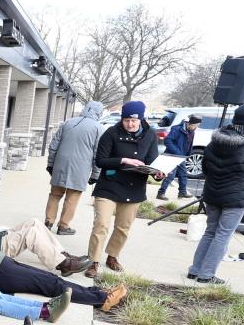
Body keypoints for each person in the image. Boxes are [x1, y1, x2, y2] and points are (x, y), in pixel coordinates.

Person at [188, 102, 244, 284]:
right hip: (237, 196)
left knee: (210, 232)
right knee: (223, 234)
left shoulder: (216, 139)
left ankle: (194, 270)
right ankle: (206, 275)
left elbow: (205, 167)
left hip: (212, 193)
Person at [86, 100, 164, 279]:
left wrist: (157, 173)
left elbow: (152, 161)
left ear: (141, 119)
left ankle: (112, 257)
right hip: (109, 186)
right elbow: (100, 160)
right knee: (101, 224)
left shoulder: (150, 135)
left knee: (123, 227)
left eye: (134, 121)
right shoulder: (111, 133)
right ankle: (93, 261)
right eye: (127, 120)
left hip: (133, 188)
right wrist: (123, 160)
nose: (130, 124)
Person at [0, 247, 128, 311]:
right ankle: (102, 300)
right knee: (52, 285)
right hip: (0, 275)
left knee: (51, 278)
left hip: (1, 263)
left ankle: (95, 294)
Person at [46, 100, 106, 234]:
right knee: (72, 198)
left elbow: (53, 145)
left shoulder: (67, 123)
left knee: (55, 194)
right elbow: (98, 154)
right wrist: (95, 174)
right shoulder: (99, 128)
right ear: (99, 113)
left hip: (60, 164)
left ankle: (48, 222)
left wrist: (50, 164)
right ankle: (63, 226)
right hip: (80, 169)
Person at [156, 114, 202, 200]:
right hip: (172, 156)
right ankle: (161, 193)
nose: (197, 127)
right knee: (170, 175)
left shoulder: (192, 131)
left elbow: (189, 144)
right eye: (196, 125)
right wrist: (177, 152)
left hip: (181, 157)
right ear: (190, 123)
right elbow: (167, 141)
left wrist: (187, 154)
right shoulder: (177, 129)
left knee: (183, 174)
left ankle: (182, 192)